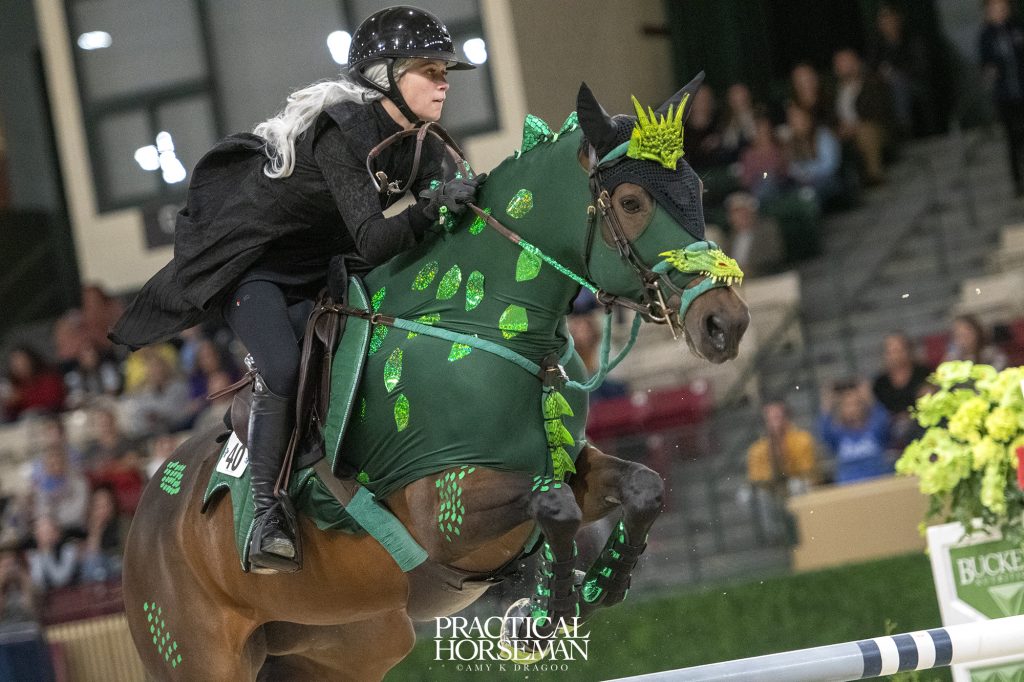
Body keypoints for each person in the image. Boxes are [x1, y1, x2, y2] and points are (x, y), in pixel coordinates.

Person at [108, 6, 482, 574]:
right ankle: (268, 515)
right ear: (386, 76)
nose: (443, 82)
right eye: (429, 70)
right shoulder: (341, 133)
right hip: (257, 270)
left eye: (444, 71)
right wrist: (431, 208)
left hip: (324, 268)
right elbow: (376, 240)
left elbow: (455, 213)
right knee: (284, 370)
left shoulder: (421, 141)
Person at [746, 399, 818, 540]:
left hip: (795, 482)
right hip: (772, 487)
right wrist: (773, 465)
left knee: (796, 485)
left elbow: (807, 470)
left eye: (778, 417)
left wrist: (785, 459)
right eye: (770, 419)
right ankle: (776, 535)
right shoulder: (758, 448)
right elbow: (756, 478)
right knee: (749, 496)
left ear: (787, 418)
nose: (775, 423)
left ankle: (803, 528)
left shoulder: (802, 439)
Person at [980, 0, 1024, 197]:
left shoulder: (1017, 28)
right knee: (1012, 139)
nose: (999, 12)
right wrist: (989, 71)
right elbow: (985, 63)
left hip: (1020, 89)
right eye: (995, 8)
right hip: (1004, 95)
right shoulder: (986, 35)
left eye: (1002, 7)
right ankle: (1018, 181)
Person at [832, 48, 895, 186]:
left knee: (866, 131)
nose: (844, 66)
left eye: (847, 61)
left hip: (874, 129)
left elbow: (879, 111)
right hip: (845, 133)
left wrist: (855, 126)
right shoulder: (835, 91)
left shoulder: (872, 82)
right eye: (840, 63)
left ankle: (874, 174)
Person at [819, 380, 892, 484]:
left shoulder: (875, 429)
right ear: (841, 409)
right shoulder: (838, 434)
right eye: (847, 405)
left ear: (863, 406)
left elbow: (883, 419)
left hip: (878, 481)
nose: (852, 409)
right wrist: (827, 402)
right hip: (848, 485)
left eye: (856, 404)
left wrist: (869, 398)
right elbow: (824, 429)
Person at [872, 333, 931, 449]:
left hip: (919, 424)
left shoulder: (923, 373)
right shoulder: (880, 382)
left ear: (908, 351)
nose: (894, 356)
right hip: (890, 430)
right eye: (890, 352)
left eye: (898, 350)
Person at [784, 103, 843, 203]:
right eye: (791, 118)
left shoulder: (824, 135)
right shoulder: (791, 142)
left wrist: (809, 172)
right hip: (803, 183)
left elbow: (830, 165)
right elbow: (792, 167)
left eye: (797, 117)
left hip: (827, 180)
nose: (793, 122)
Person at [724, 191, 783, 277]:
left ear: (753, 212)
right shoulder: (731, 238)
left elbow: (774, 256)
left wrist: (748, 269)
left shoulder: (767, 229)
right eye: (735, 213)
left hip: (763, 278)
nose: (740, 216)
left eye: (743, 211)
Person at [1, 345, 66, 422]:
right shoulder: (14, 386)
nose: (20, 366)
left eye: (22, 362)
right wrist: (10, 404)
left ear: (31, 360)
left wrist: (22, 398)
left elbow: (53, 401)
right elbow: (11, 416)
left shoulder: (48, 377)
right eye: (15, 364)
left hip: (52, 419)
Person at [942, 314, 1008, 369]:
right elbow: (943, 373)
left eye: (966, 335)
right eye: (958, 335)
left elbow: (1000, 368)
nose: (963, 340)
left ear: (977, 332)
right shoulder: (955, 355)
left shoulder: (990, 353)